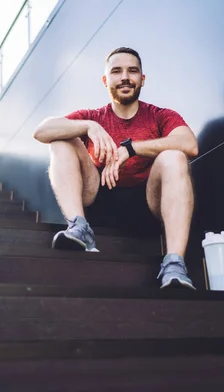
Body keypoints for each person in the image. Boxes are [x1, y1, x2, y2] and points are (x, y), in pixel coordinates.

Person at [33, 47, 198, 290]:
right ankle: (79, 227)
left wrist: (132, 149)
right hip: (97, 195)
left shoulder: (160, 115)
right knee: (61, 138)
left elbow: (189, 144)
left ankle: (174, 264)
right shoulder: (93, 115)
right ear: (105, 80)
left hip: (147, 203)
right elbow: (41, 131)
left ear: (142, 79)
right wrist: (87, 126)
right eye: (116, 71)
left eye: (132, 71)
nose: (124, 77)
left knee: (175, 156)